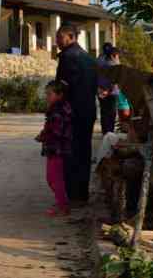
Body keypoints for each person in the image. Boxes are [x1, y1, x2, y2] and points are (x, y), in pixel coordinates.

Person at [55, 24, 98, 206]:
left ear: (70, 37)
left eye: (59, 37)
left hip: (72, 113)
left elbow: (62, 88)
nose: (57, 42)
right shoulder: (89, 58)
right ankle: (82, 194)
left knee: (70, 153)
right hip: (88, 111)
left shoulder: (67, 57)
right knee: (84, 152)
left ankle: (72, 195)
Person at [36, 80, 72, 217]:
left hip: (57, 149)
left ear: (60, 95)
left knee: (54, 179)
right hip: (58, 149)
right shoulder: (61, 108)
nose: (47, 97)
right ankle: (61, 203)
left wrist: (44, 136)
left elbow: (55, 131)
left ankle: (62, 205)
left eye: (49, 94)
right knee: (53, 178)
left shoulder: (57, 111)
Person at [97, 43, 120, 134]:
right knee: (111, 113)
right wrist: (108, 91)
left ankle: (105, 133)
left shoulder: (99, 60)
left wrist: (98, 89)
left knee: (104, 113)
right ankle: (109, 132)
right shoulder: (113, 62)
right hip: (110, 92)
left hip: (101, 91)